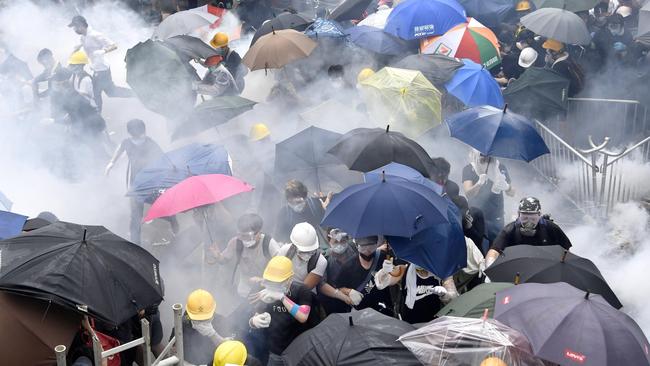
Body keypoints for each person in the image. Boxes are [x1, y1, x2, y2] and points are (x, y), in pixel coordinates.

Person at [105, 119, 164, 243]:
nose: (138, 132)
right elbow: (119, 150)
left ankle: (172, 220)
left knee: (161, 205)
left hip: (150, 182)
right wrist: (111, 163)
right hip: (136, 184)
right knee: (136, 215)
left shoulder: (149, 143)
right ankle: (135, 242)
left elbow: (162, 157)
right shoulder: (127, 143)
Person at [248, 256, 315, 365]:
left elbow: (303, 316)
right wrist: (254, 321)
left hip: (298, 348)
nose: (274, 285)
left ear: (290, 278)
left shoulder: (301, 290)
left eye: (278, 282)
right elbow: (255, 314)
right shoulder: (263, 290)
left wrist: (282, 297)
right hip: (275, 349)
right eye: (271, 281)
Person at [484, 197, 572, 266]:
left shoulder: (551, 228)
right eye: (525, 218)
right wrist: (489, 265)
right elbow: (494, 251)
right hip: (519, 268)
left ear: (539, 215)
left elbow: (566, 251)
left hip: (546, 266)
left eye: (533, 218)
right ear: (518, 215)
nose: (529, 222)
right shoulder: (510, 230)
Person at [69, 15, 132, 112]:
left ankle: (97, 115)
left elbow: (114, 45)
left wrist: (103, 51)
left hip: (102, 69)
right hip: (96, 68)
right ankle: (135, 94)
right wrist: (75, 50)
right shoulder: (83, 37)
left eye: (75, 27)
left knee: (97, 93)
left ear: (81, 25)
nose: (74, 29)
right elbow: (82, 45)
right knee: (111, 92)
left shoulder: (95, 35)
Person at [212, 213, 281, 298]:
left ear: (258, 232)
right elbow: (224, 260)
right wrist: (218, 256)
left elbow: (282, 269)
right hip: (246, 285)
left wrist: (263, 280)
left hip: (268, 284)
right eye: (240, 234)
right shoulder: (236, 242)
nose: (242, 238)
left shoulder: (268, 243)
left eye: (246, 236)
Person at [333, 236, 401, 316]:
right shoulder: (347, 266)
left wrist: (391, 274)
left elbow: (399, 274)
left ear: (376, 244)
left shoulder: (384, 258)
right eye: (363, 246)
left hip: (385, 309)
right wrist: (349, 291)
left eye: (371, 246)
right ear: (357, 246)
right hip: (361, 313)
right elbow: (338, 287)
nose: (367, 250)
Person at [462, 150, 514, 252]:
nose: (484, 157)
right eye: (481, 154)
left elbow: (512, 193)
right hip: (477, 218)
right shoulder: (469, 169)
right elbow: (468, 193)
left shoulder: (500, 167)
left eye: (486, 155)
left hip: (496, 217)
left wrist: (506, 187)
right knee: (479, 249)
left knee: (497, 249)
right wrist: (479, 183)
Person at [374, 262, 459, 324]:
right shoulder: (404, 269)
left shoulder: (443, 272)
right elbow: (381, 283)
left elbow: (454, 298)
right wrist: (385, 271)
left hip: (435, 322)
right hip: (410, 324)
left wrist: (445, 294)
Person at [174, 289, 231, 366]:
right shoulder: (182, 324)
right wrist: (185, 363)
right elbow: (173, 350)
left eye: (205, 319)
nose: (201, 322)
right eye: (198, 319)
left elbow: (230, 351)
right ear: (189, 314)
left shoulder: (221, 321)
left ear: (213, 311)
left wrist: (213, 334)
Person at [274, 180, 330, 246]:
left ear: (304, 197)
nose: (296, 205)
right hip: (296, 248)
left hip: (317, 244)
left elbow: (326, 226)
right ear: (288, 200)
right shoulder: (284, 213)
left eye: (299, 202)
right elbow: (279, 237)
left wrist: (326, 210)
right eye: (292, 202)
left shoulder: (315, 205)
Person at [276, 222, 328, 291]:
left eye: (310, 251)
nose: (307, 254)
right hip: (281, 290)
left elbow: (304, 289)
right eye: (303, 251)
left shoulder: (320, 262)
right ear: (294, 245)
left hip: (304, 296)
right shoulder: (285, 250)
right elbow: (276, 273)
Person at [317, 228, 356, 314]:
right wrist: (342, 296)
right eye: (336, 242)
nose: (339, 245)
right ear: (329, 241)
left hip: (356, 294)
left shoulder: (354, 249)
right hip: (334, 299)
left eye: (342, 241)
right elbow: (321, 285)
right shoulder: (324, 259)